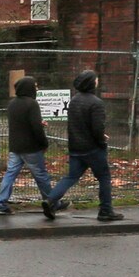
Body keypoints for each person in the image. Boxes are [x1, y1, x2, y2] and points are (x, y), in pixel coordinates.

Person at [46, 68, 120, 221]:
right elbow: (97, 127)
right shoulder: (96, 103)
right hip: (92, 148)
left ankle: (50, 200)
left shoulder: (74, 101)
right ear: (92, 83)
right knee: (104, 177)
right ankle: (106, 210)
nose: (97, 81)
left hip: (76, 147)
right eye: (96, 79)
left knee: (71, 177)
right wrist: (102, 140)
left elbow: (76, 124)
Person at [0, 76, 57, 218]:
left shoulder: (12, 104)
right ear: (29, 88)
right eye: (35, 86)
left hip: (15, 146)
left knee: (10, 174)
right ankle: (51, 201)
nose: (37, 88)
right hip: (31, 147)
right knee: (41, 175)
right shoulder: (32, 104)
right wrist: (44, 143)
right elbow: (35, 127)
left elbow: (20, 124)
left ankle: (1, 203)